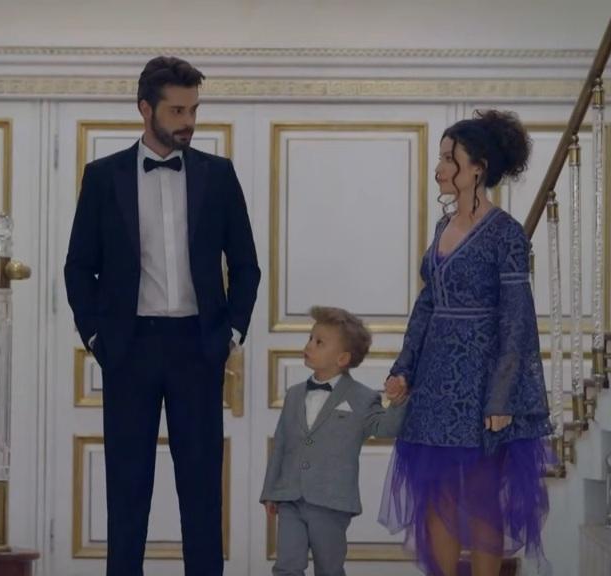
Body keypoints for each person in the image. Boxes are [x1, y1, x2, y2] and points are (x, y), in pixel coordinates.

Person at [64, 55, 261, 576]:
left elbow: (246, 264)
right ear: (145, 109)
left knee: (201, 490)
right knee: (127, 489)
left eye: (193, 109)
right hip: (129, 348)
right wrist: (96, 337)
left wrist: (231, 333)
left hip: (199, 346)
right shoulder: (102, 177)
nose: (188, 121)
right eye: (177, 110)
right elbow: (79, 266)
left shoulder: (219, 175)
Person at [380, 109, 553, 576]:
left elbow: (516, 320)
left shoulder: (506, 234)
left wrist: (502, 396)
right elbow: (427, 304)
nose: (438, 168)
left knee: (480, 497)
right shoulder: (442, 228)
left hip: (480, 385)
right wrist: (403, 369)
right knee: (436, 495)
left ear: (477, 167)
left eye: (448, 158)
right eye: (440, 158)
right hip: (435, 382)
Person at [261, 306, 406, 576]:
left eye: (319, 342)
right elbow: (280, 444)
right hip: (290, 497)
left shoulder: (362, 398)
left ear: (342, 358)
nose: (309, 345)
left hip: (332, 502)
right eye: (310, 338)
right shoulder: (294, 395)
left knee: (329, 568)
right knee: (286, 566)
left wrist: (398, 402)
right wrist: (271, 490)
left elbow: (386, 427)